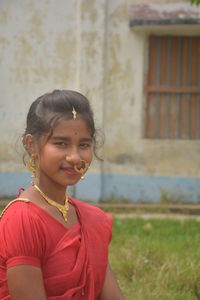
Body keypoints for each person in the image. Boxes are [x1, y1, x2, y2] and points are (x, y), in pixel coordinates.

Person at [0, 90, 125, 300]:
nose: (75, 157)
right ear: (31, 145)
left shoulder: (92, 220)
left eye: (83, 145)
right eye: (61, 143)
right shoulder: (22, 221)